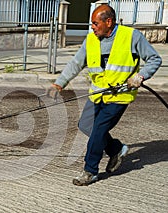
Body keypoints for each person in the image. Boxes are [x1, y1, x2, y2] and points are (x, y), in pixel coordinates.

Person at [47, 4, 162, 186]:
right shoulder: (91, 40)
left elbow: (155, 59)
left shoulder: (131, 36)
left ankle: (90, 171)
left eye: (95, 23)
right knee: (86, 125)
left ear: (108, 22)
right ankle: (116, 149)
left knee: (99, 130)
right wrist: (58, 84)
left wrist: (140, 76)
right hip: (97, 94)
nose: (92, 27)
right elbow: (76, 63)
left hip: (119, 95)